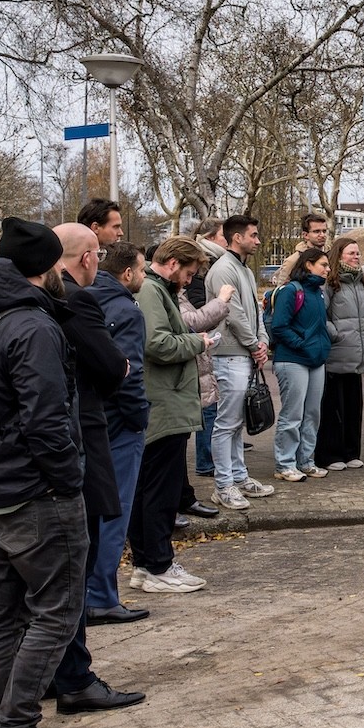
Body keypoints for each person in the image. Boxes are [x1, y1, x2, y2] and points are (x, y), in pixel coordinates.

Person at [0, 218, 91, 728]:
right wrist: (69, 479)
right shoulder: (33, 326)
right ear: (47, 268)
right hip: (36, 491)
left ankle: (2, 725)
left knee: (3, 611)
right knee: (56, 611)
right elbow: (46, 419)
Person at [45, 223, 146, 715]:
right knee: (72, 571)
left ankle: (46, 672)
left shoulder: (14, 303)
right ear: (88, 257)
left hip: (31, 460)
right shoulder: (74, 302)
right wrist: (121, 370)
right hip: (76, 443)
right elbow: (113, 366)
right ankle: (74, 677)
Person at [130, 236, 215, 595]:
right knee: (158, 491)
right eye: (189, 273)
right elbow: (157, 344)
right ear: (173, 263)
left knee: (150, 488)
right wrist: (200, 342)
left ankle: (146, 564)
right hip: (164, 405)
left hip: (166, 403)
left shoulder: (155, 290)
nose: (190, 281)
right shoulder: (152, 291)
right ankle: (157, 565)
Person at [86, 242, 152, 623]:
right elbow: (129, 371)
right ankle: (102, 596)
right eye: (142, 270)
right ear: (127, 273)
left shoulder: (84, 299)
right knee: (115, 511)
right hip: (120, 424)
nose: (143, 277)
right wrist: (139, 416)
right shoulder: (126, 310)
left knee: (94, 512)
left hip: (93, 420)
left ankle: (90, 591)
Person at [204, 215, 274, 508]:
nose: (258, 241)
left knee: (235, 423)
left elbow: (255, 313)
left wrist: (262, 342)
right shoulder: (223, 270)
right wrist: (254, 344)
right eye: (254, 235)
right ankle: (223, 485)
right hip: (229, 354)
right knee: (227, 423)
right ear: (237, 238)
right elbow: (231, 314)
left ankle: (238, 476)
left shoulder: (243, 269)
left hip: (243, 352)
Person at [267, 247, 332, 481]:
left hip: (315, 359)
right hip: (292, 359)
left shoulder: (318, 293)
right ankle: (284, 464)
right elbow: (279, 326)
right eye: (323, 265)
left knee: (312, 413)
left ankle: (306, 460)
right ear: (308, 265)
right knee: (292, 414)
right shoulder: (291, 290)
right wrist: (302, 344)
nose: (328, 269)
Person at [317, 239, 364, 470]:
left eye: (358, 253)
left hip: (357, 356)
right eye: (351, 253)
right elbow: (323, 315)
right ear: (339, 256)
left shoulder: (361, 282)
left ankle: (352, 451)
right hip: (337, 354)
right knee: (334, 408)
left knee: (353, 407)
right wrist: (336, 334)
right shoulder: (331, 282)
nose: (356, 257)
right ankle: (331, 454)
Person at [188, 218, 228, 481]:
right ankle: (206, 460)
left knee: (211, 403)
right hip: (201, 343)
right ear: (211, 237)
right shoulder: (201, 266)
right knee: (207, 405)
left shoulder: (212, 263)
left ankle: (210, 456)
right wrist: (220, 303)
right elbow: (195, 310)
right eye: (224, 235)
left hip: (206, 342)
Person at [271, 211, 330, 284]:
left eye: (324, 231)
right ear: (305, 235)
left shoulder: (332, 255)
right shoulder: (293, 261)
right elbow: (282, 290)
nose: (322, 235)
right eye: (316, 231)